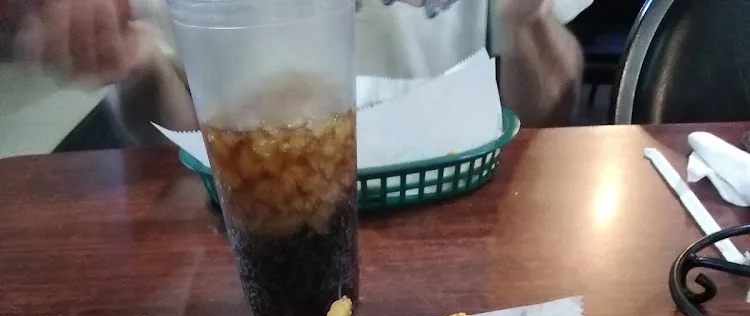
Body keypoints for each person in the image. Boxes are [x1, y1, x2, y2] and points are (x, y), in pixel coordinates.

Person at [12, 0, 592, 145]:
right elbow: (176, 140)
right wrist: (134, 67)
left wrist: (527, 22)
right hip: (245, 232)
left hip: (464, 202)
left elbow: (548, 113)